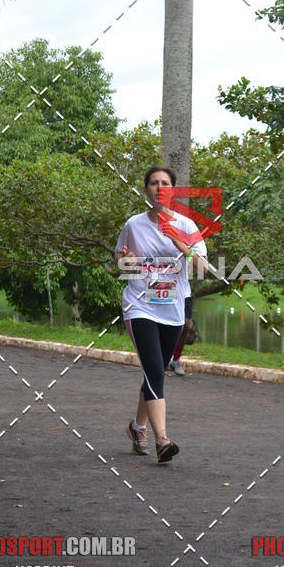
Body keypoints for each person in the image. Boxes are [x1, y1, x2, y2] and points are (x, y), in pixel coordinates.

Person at [114, 166, 208, 463]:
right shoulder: (134, 224)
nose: (159, 187)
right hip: (139, 306)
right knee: (155, 371)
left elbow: (202, 268)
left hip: (172, 310)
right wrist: (125, 260)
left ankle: (137, 427)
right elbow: (119, 255)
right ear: (146, 190)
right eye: (153, 183)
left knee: (154, 371)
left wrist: (178, 240)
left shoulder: (187, 225)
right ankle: (162, 440)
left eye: (165, 183)